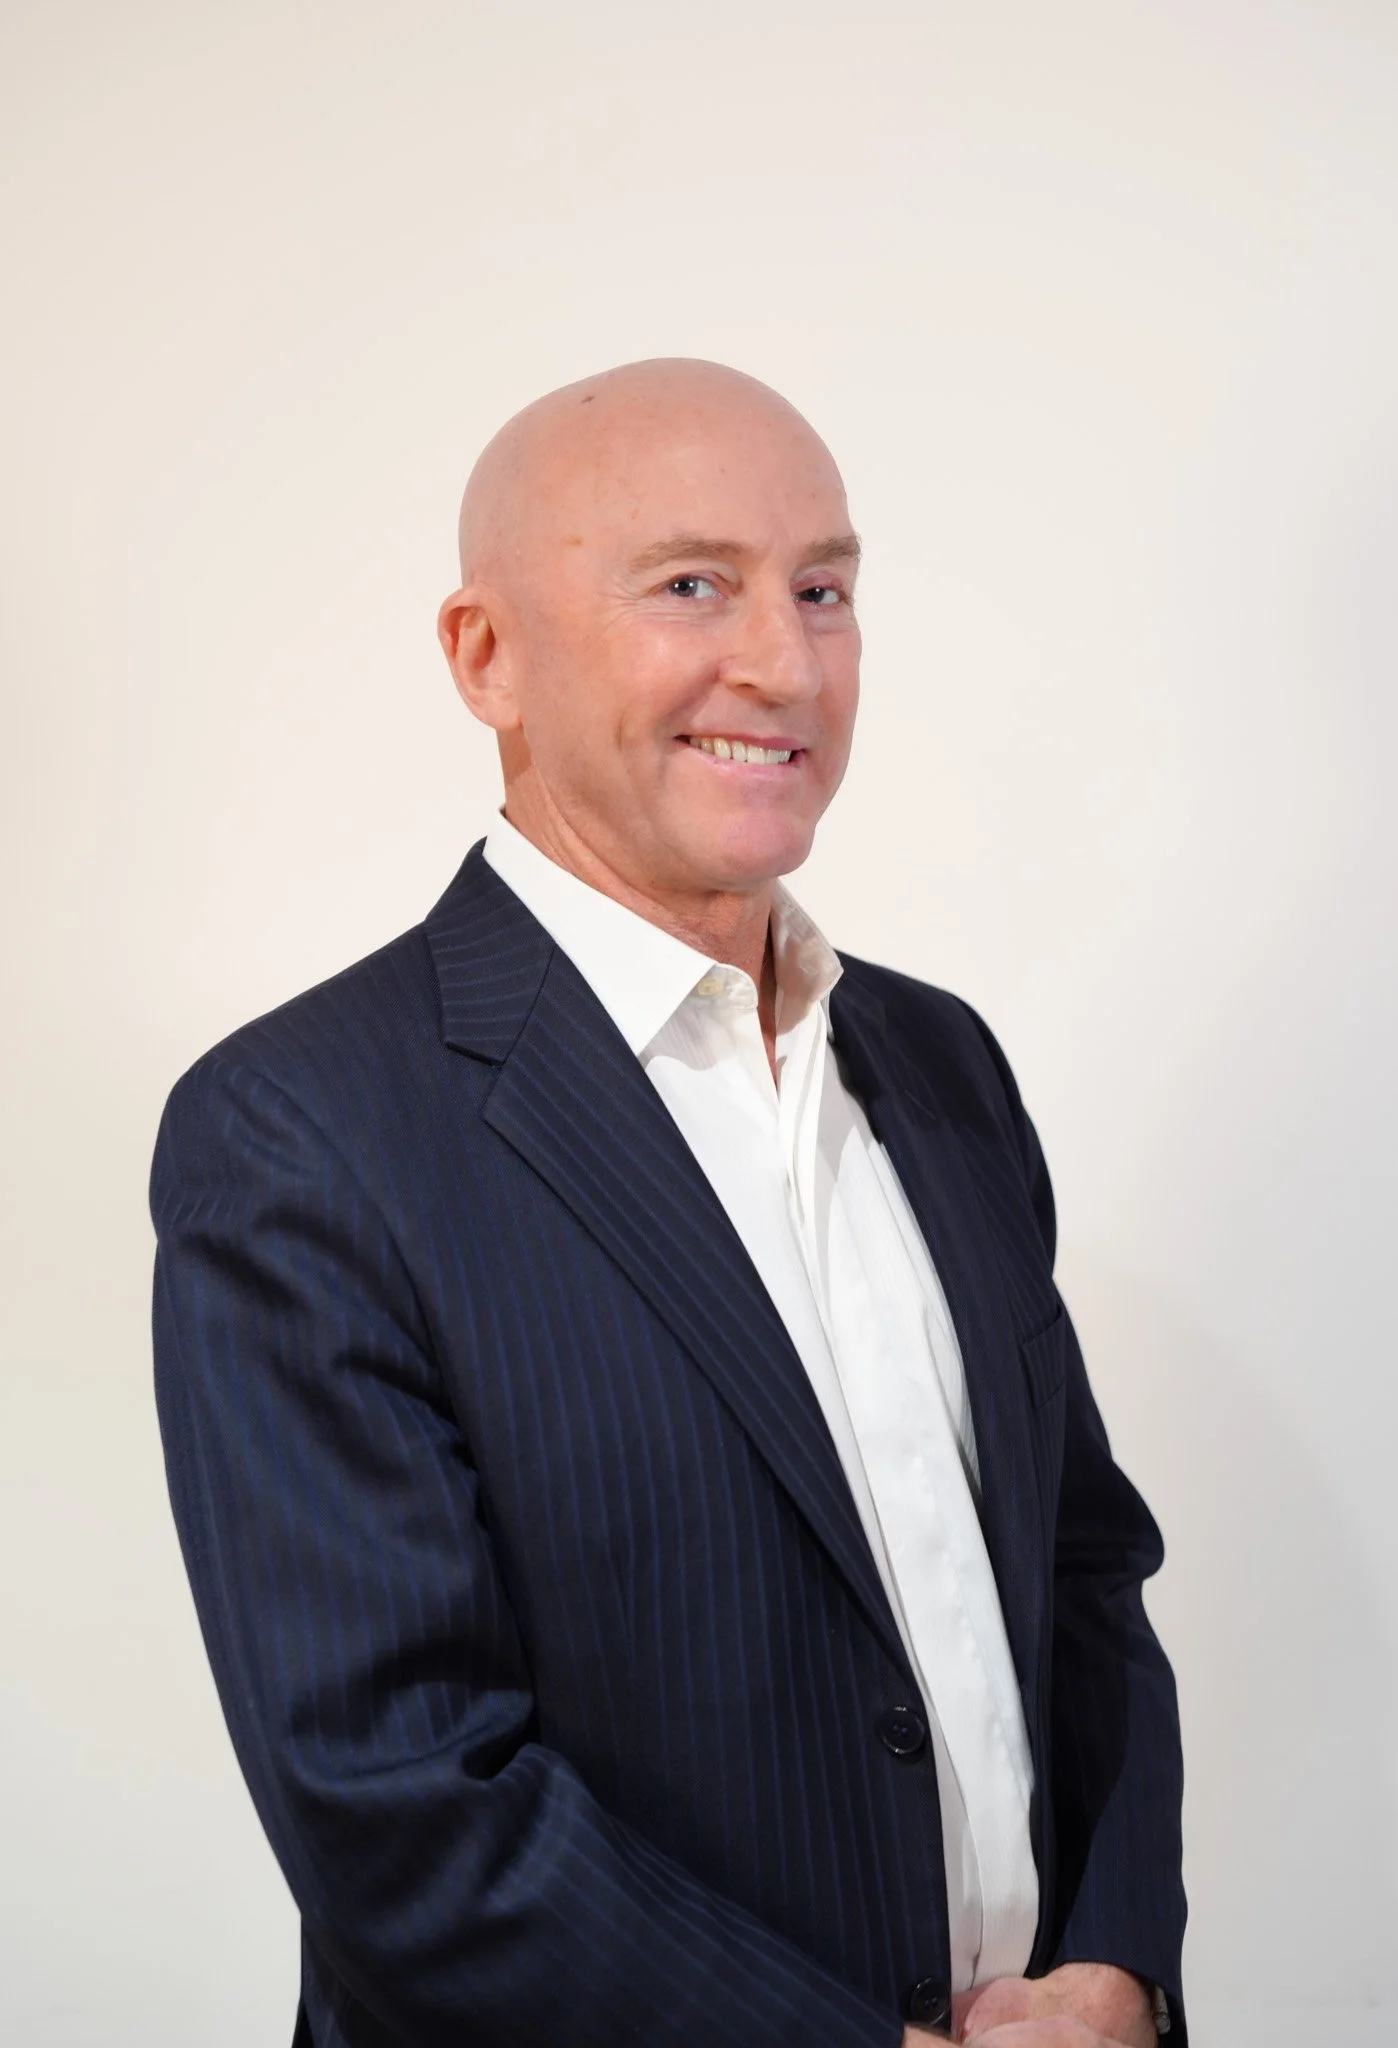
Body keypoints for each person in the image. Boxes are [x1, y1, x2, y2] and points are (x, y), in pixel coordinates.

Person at [151, 359, 1186, 2048]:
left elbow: (1080, 1570)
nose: (781, 662)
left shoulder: (938, 1064)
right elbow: (398, 1805)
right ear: (485, 656)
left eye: (823, 588)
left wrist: (1122, 1973)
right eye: (691, 584)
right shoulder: (300, 1129)